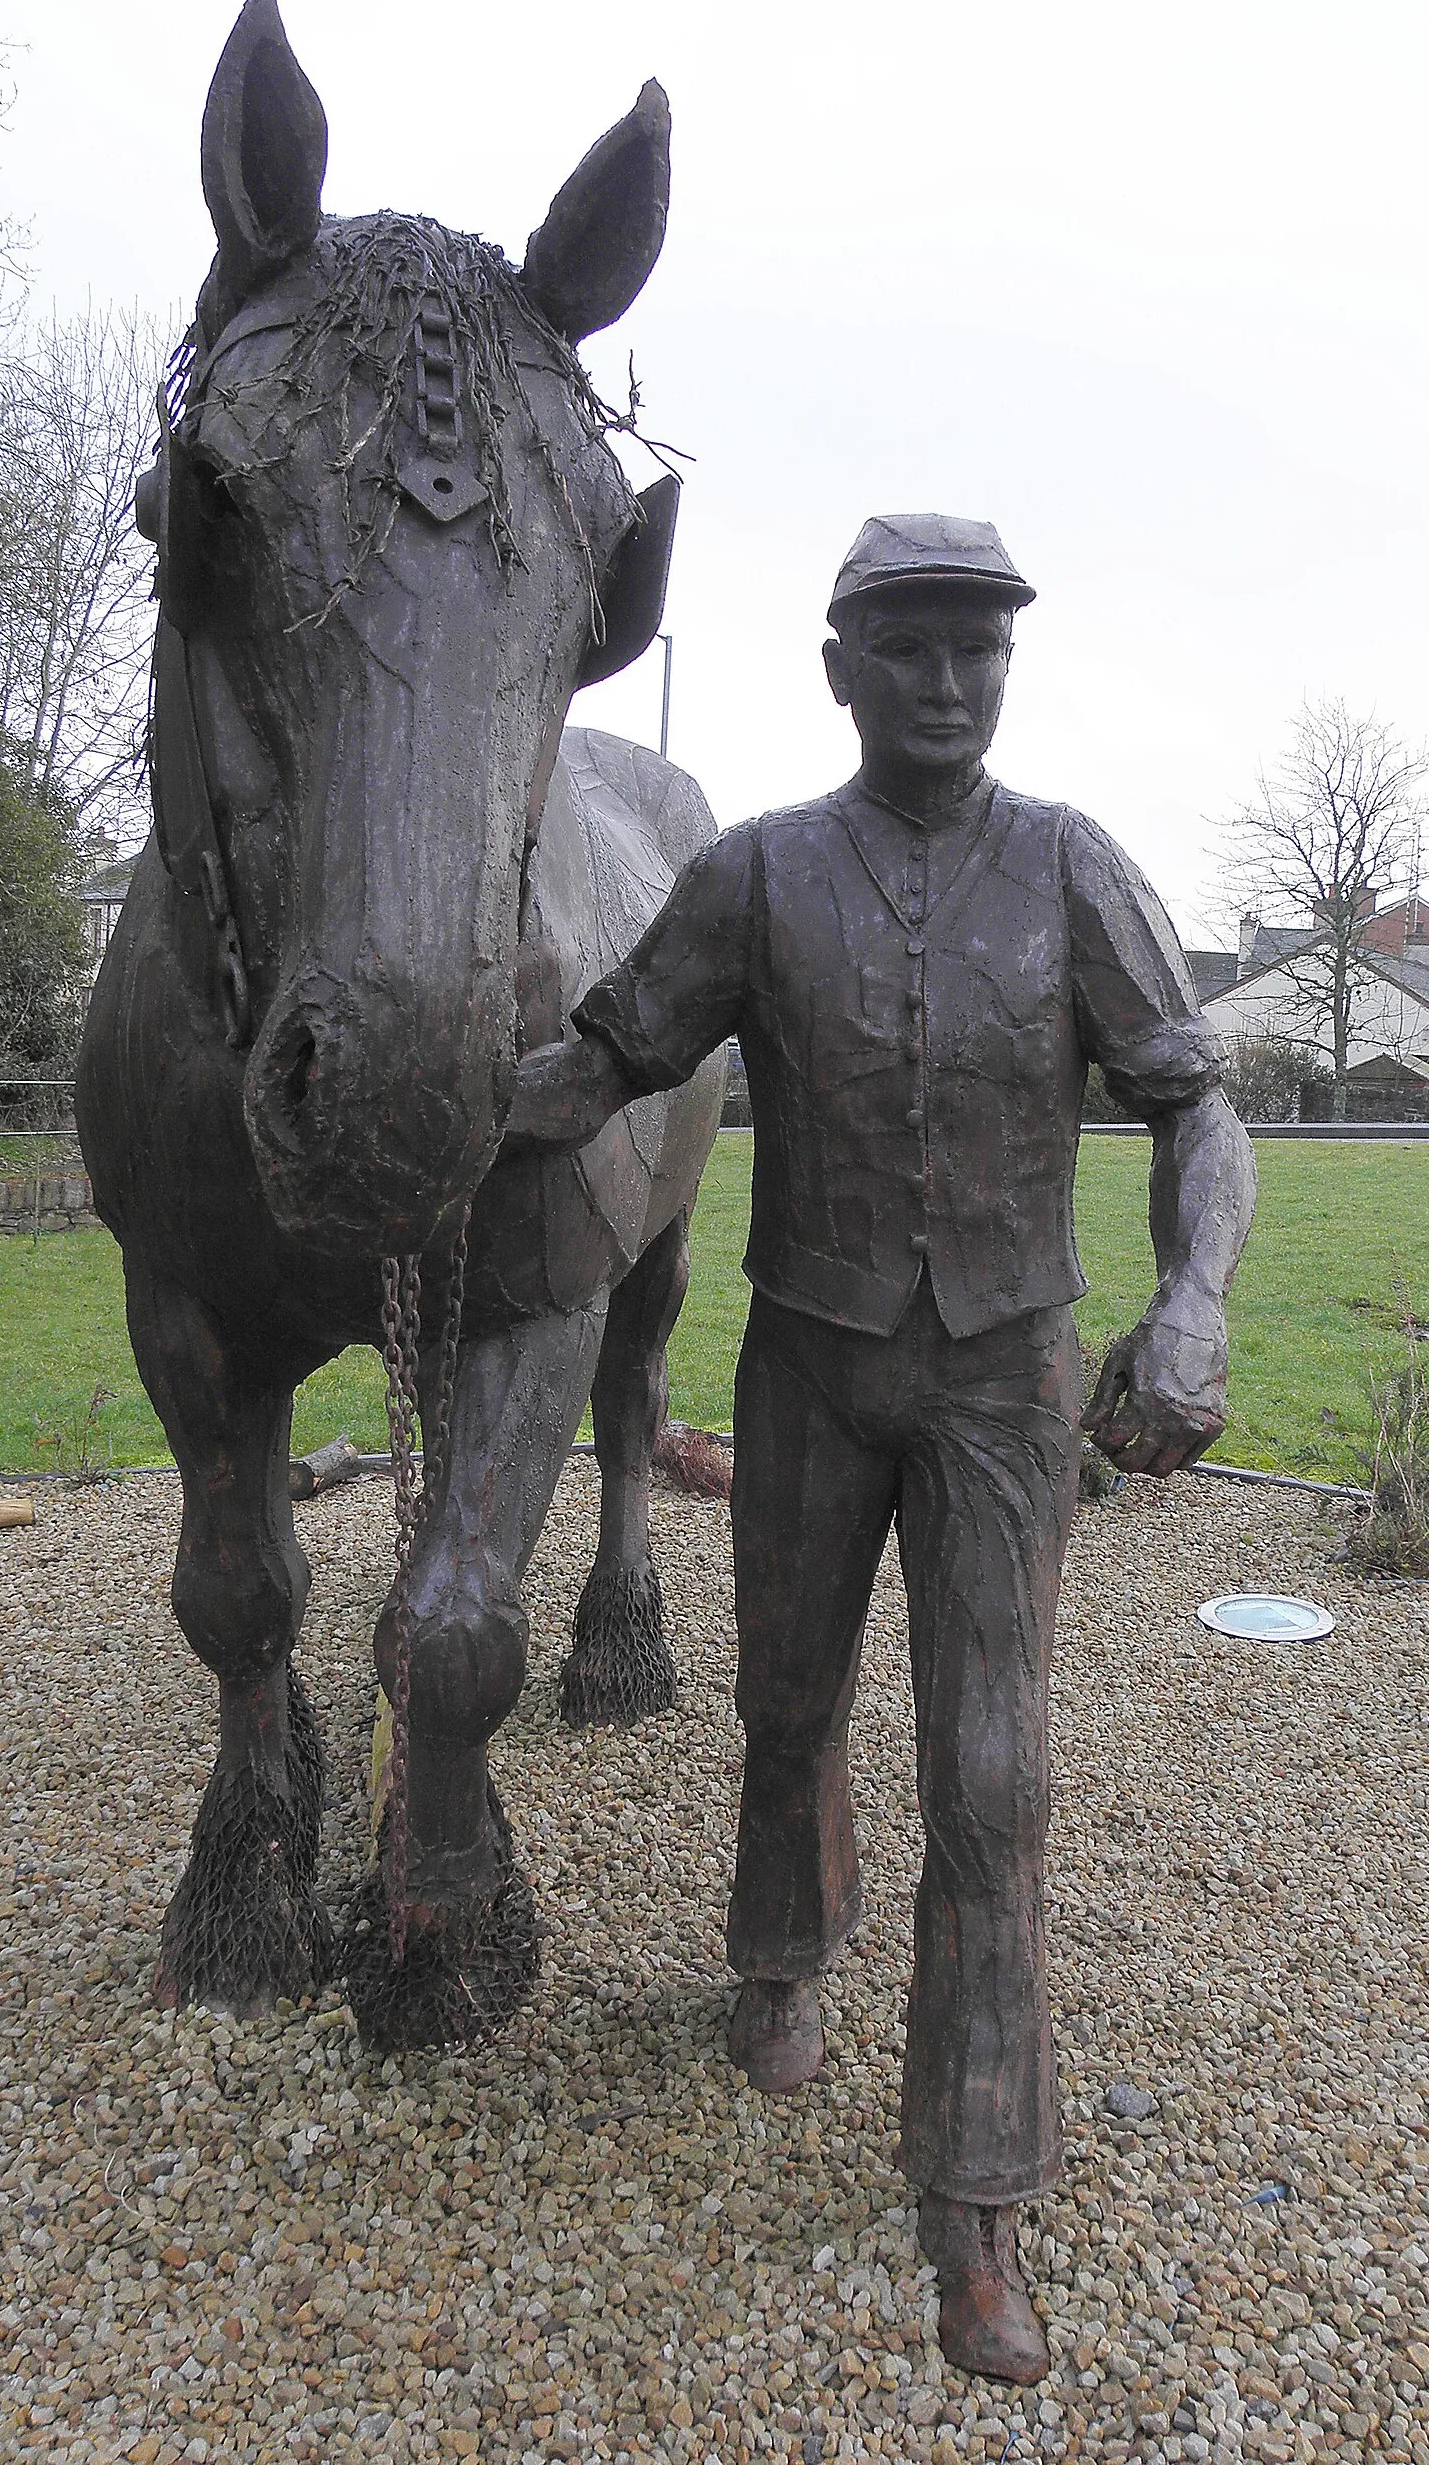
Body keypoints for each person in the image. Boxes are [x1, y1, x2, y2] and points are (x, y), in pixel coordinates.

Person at [510, 514, 1256, 2381]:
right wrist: (437, 1102)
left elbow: (1198, 1104)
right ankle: (784, 1942)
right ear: (838, 668)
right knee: (785, 1695)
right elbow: (603, 1059)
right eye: (907, 648)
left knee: (992, 1775)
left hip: (1008, 1381)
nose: (946, 680)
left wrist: (1195, 1299)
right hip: (814, 1360)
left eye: (977, 648)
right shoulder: (759, 875)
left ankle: (975, 2194)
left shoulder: (1073, 871)